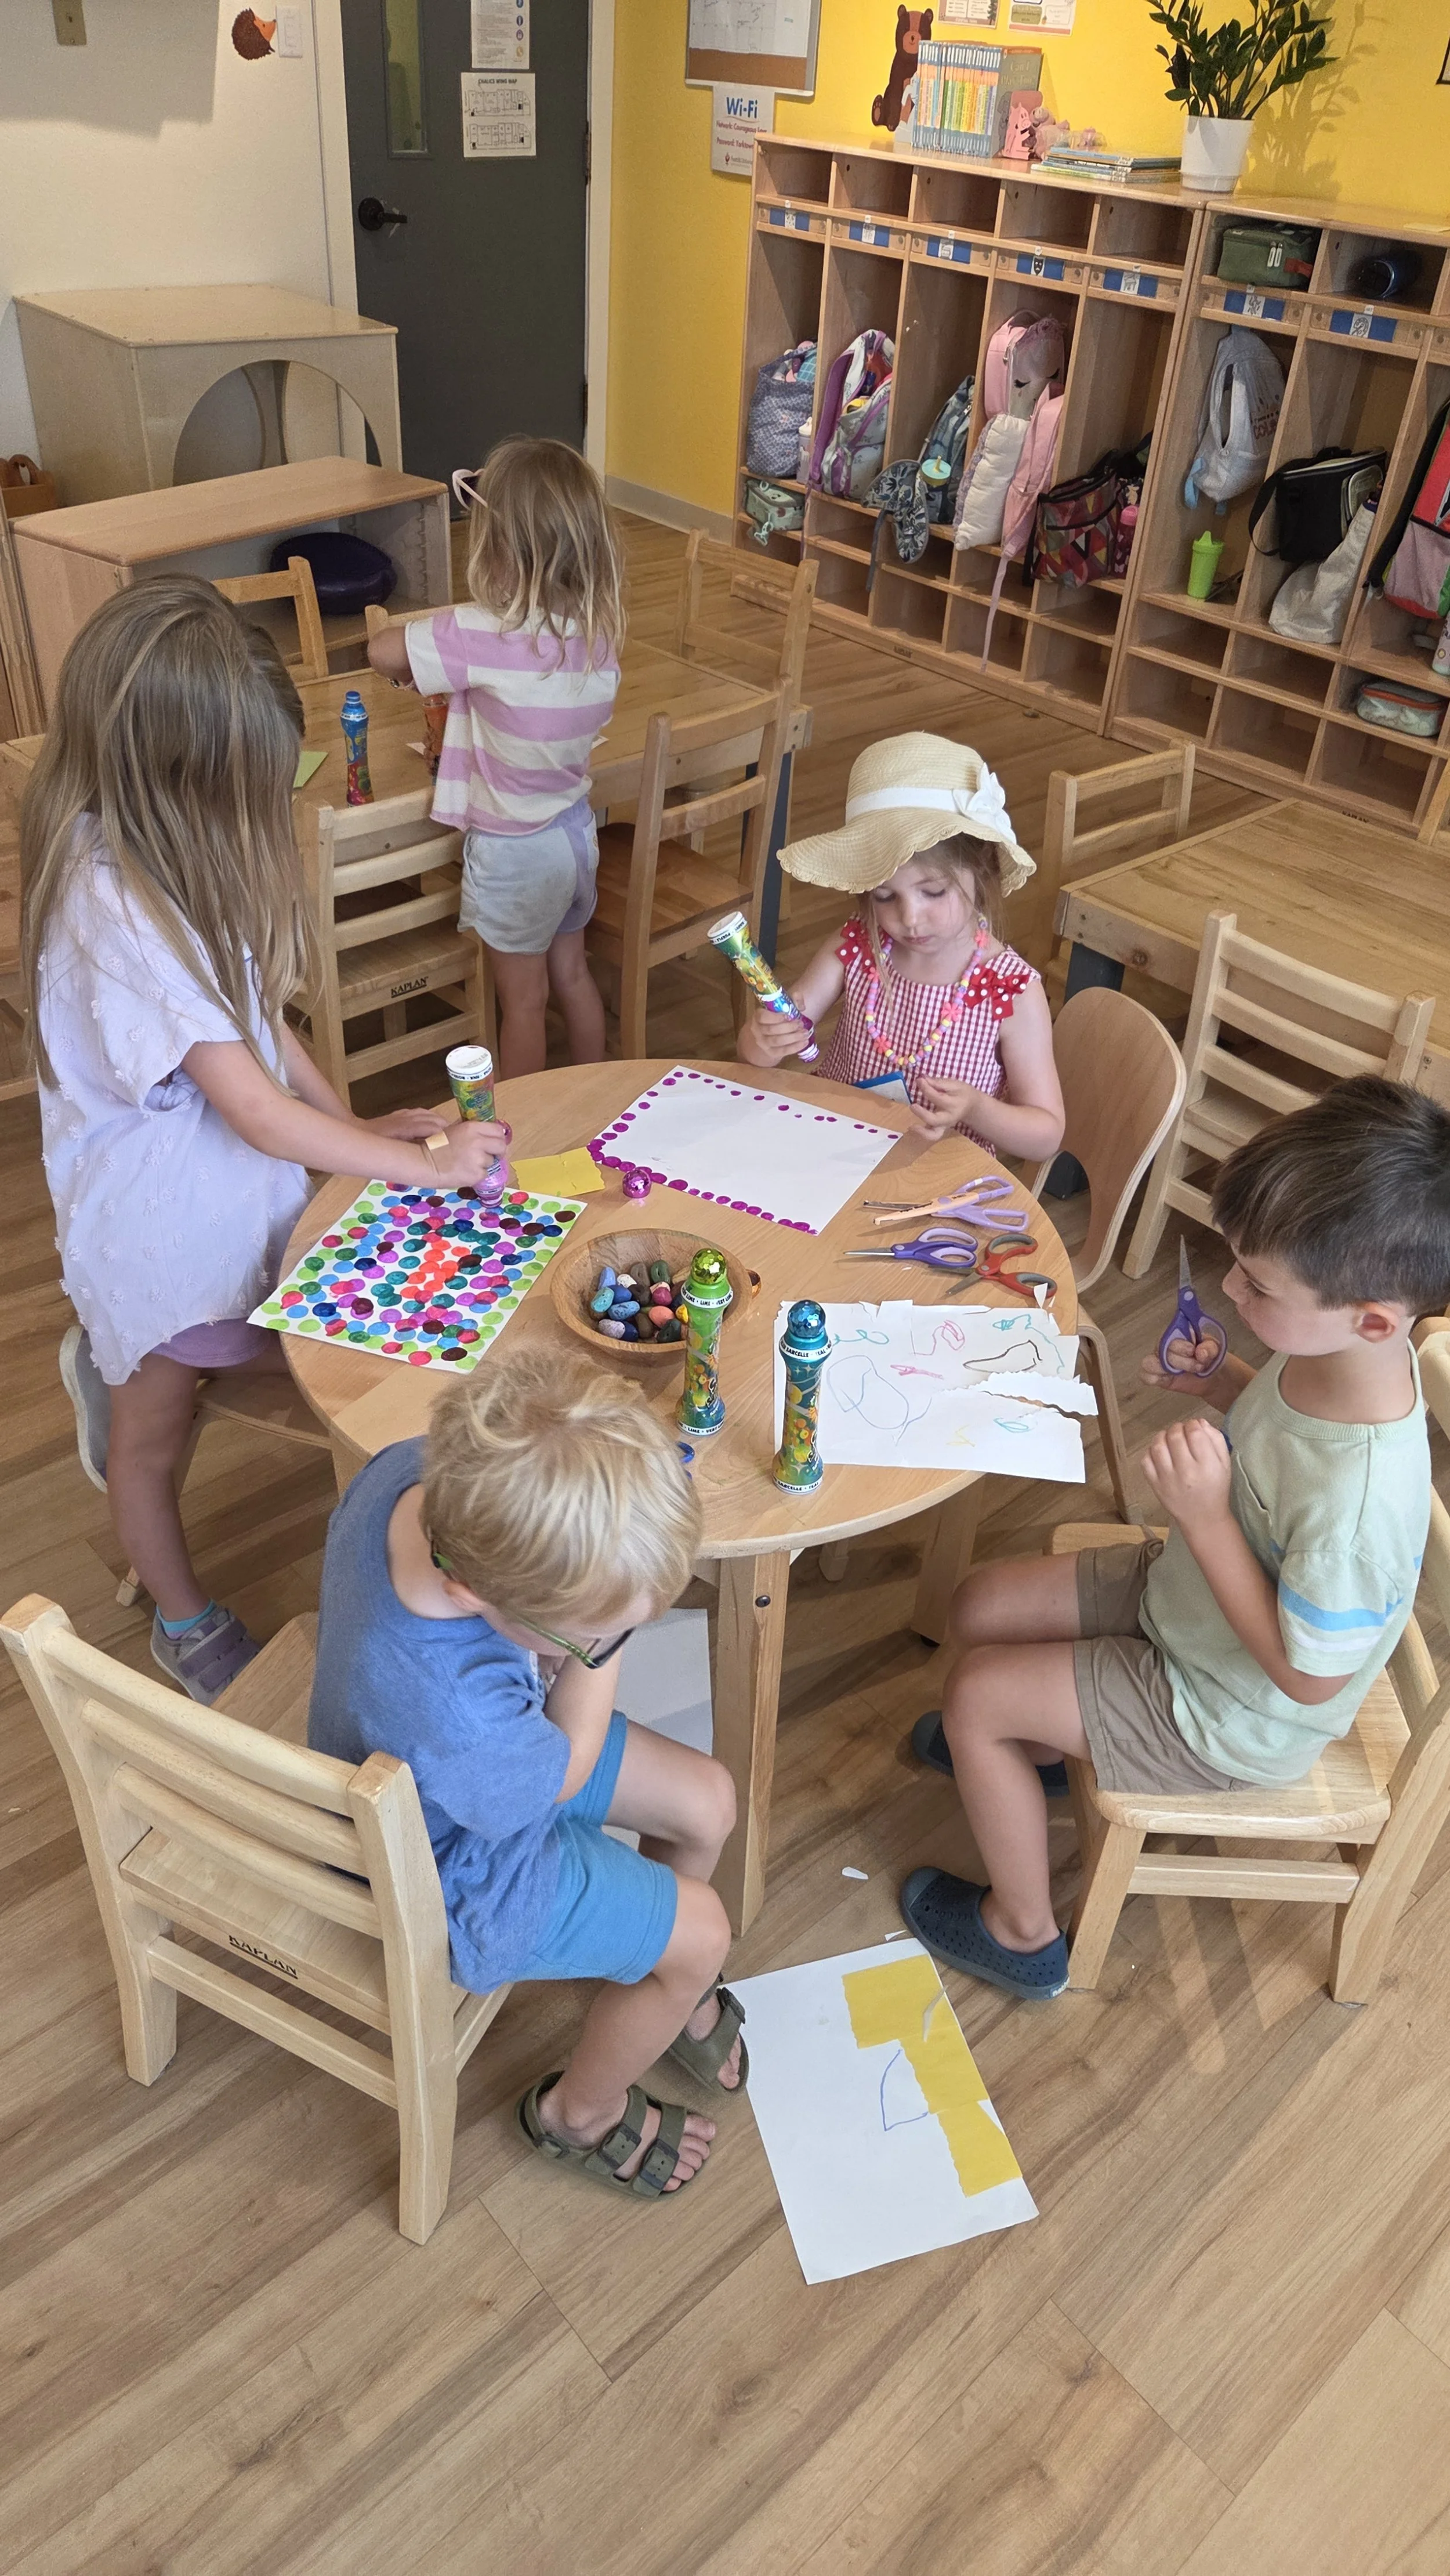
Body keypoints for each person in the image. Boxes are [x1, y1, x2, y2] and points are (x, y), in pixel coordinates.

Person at [23, 577, 507, 1705]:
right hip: (155, 1238)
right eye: (248, 791)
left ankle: (125, 1372)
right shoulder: (114, 903)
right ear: (177, 785)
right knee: (153, 1439)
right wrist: (418, 1162)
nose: (263, 813)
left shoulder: (171, 852)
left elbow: (258, 1028)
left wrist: (348, 1130)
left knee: (302, 1349)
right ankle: (183, 1625)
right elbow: (245, 1103)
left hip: (224, 1194)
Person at [898, 1076, 1447, 1998]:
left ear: (1377, 1320)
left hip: (1232, 1714)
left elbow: (1307, 1676)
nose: (1229, 1287)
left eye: (1258, 1284)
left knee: (978, 1696)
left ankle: (1024, 1932)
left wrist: (1201, 1515)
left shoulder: (1362, 1505)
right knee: (978, 1604)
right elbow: (1281, 1441)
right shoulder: (1337, 1353)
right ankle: (1036, 1759)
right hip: (1189, 1601)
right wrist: (1225, 1381)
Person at [308, 1349, 746, 2199]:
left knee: (710, 1801)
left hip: (458, 1766)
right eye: (594, 1637)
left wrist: (587, 1634)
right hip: (458, 1867)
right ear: (473, 1590)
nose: (612, 1646)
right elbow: (552, 1779)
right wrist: (607, 1649)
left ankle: (651, 1972)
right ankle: (580, 2113)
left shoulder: (420, 1472)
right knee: (708, 1935)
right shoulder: (460, 1716)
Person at [367, 436, 623, 1081]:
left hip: (515, 852)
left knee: (523, 1003)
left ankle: (526, 1127)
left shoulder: (480, 632)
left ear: (498, 548)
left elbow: (381, 651)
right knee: (571, 975)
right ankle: (593, 1094)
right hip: (573, 836)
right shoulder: (597, 638)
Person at [736, 732, 1064, 1163]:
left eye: (934, 891)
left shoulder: (1011, 989)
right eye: (885, 897)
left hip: (938, 1179)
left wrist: (978, 1108)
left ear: (982, 871)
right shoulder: (857, 945)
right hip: (836, 1151)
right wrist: (763, 1040)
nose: (909, 918)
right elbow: (758, 1051)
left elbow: (1045, 1135)